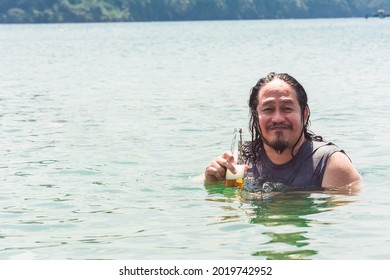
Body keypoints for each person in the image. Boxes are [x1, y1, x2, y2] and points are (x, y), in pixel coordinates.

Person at [204, 72, 361, 193]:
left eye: (287, 108)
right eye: (268, 109)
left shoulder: (331, 165)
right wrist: (211, 180)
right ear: (255, 116)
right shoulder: (242, 159)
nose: (278, 118)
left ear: (304, 114)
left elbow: (341, 226)